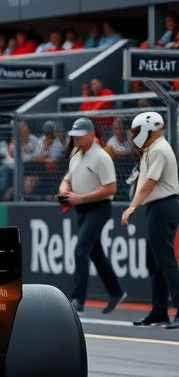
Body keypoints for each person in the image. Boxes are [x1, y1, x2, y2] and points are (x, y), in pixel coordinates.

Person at [58, 118, 125, 313]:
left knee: (81, 250)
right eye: (74, 135)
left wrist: (80, 197)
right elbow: (67, 178)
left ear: (90, 134)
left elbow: (110, 188)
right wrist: (64, 189)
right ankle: (116, 291)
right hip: (82, 208)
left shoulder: (102, 157)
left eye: (79, 135)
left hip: (98, 209)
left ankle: (78, 299)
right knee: (96, 253)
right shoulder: (75, 153)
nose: (75, 138)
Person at [121, 112, 179, 327]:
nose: (134, 135)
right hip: (156, 207)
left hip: (163, 206)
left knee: (165, 260)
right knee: (154, 262)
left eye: (137, 131)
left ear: (149, 129)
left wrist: (132, 207)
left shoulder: (159, 150)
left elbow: (150, 183)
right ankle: (159, 310)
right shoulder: (151, 149)